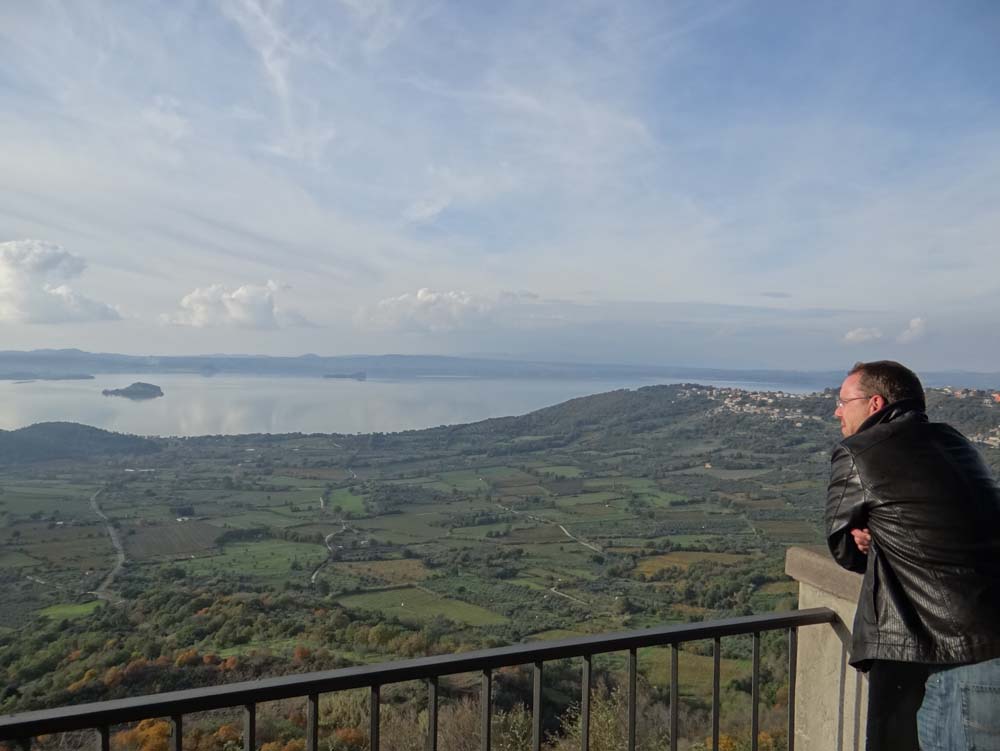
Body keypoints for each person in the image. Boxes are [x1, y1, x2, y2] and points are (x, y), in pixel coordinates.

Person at [825, 360, 1000, 750]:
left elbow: (844, 548)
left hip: (954, 656)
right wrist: (889, 534)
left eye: (842, 402)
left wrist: (871, 540)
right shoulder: (955, 441)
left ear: (875, 404)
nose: (837, 412)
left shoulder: (858, 451)